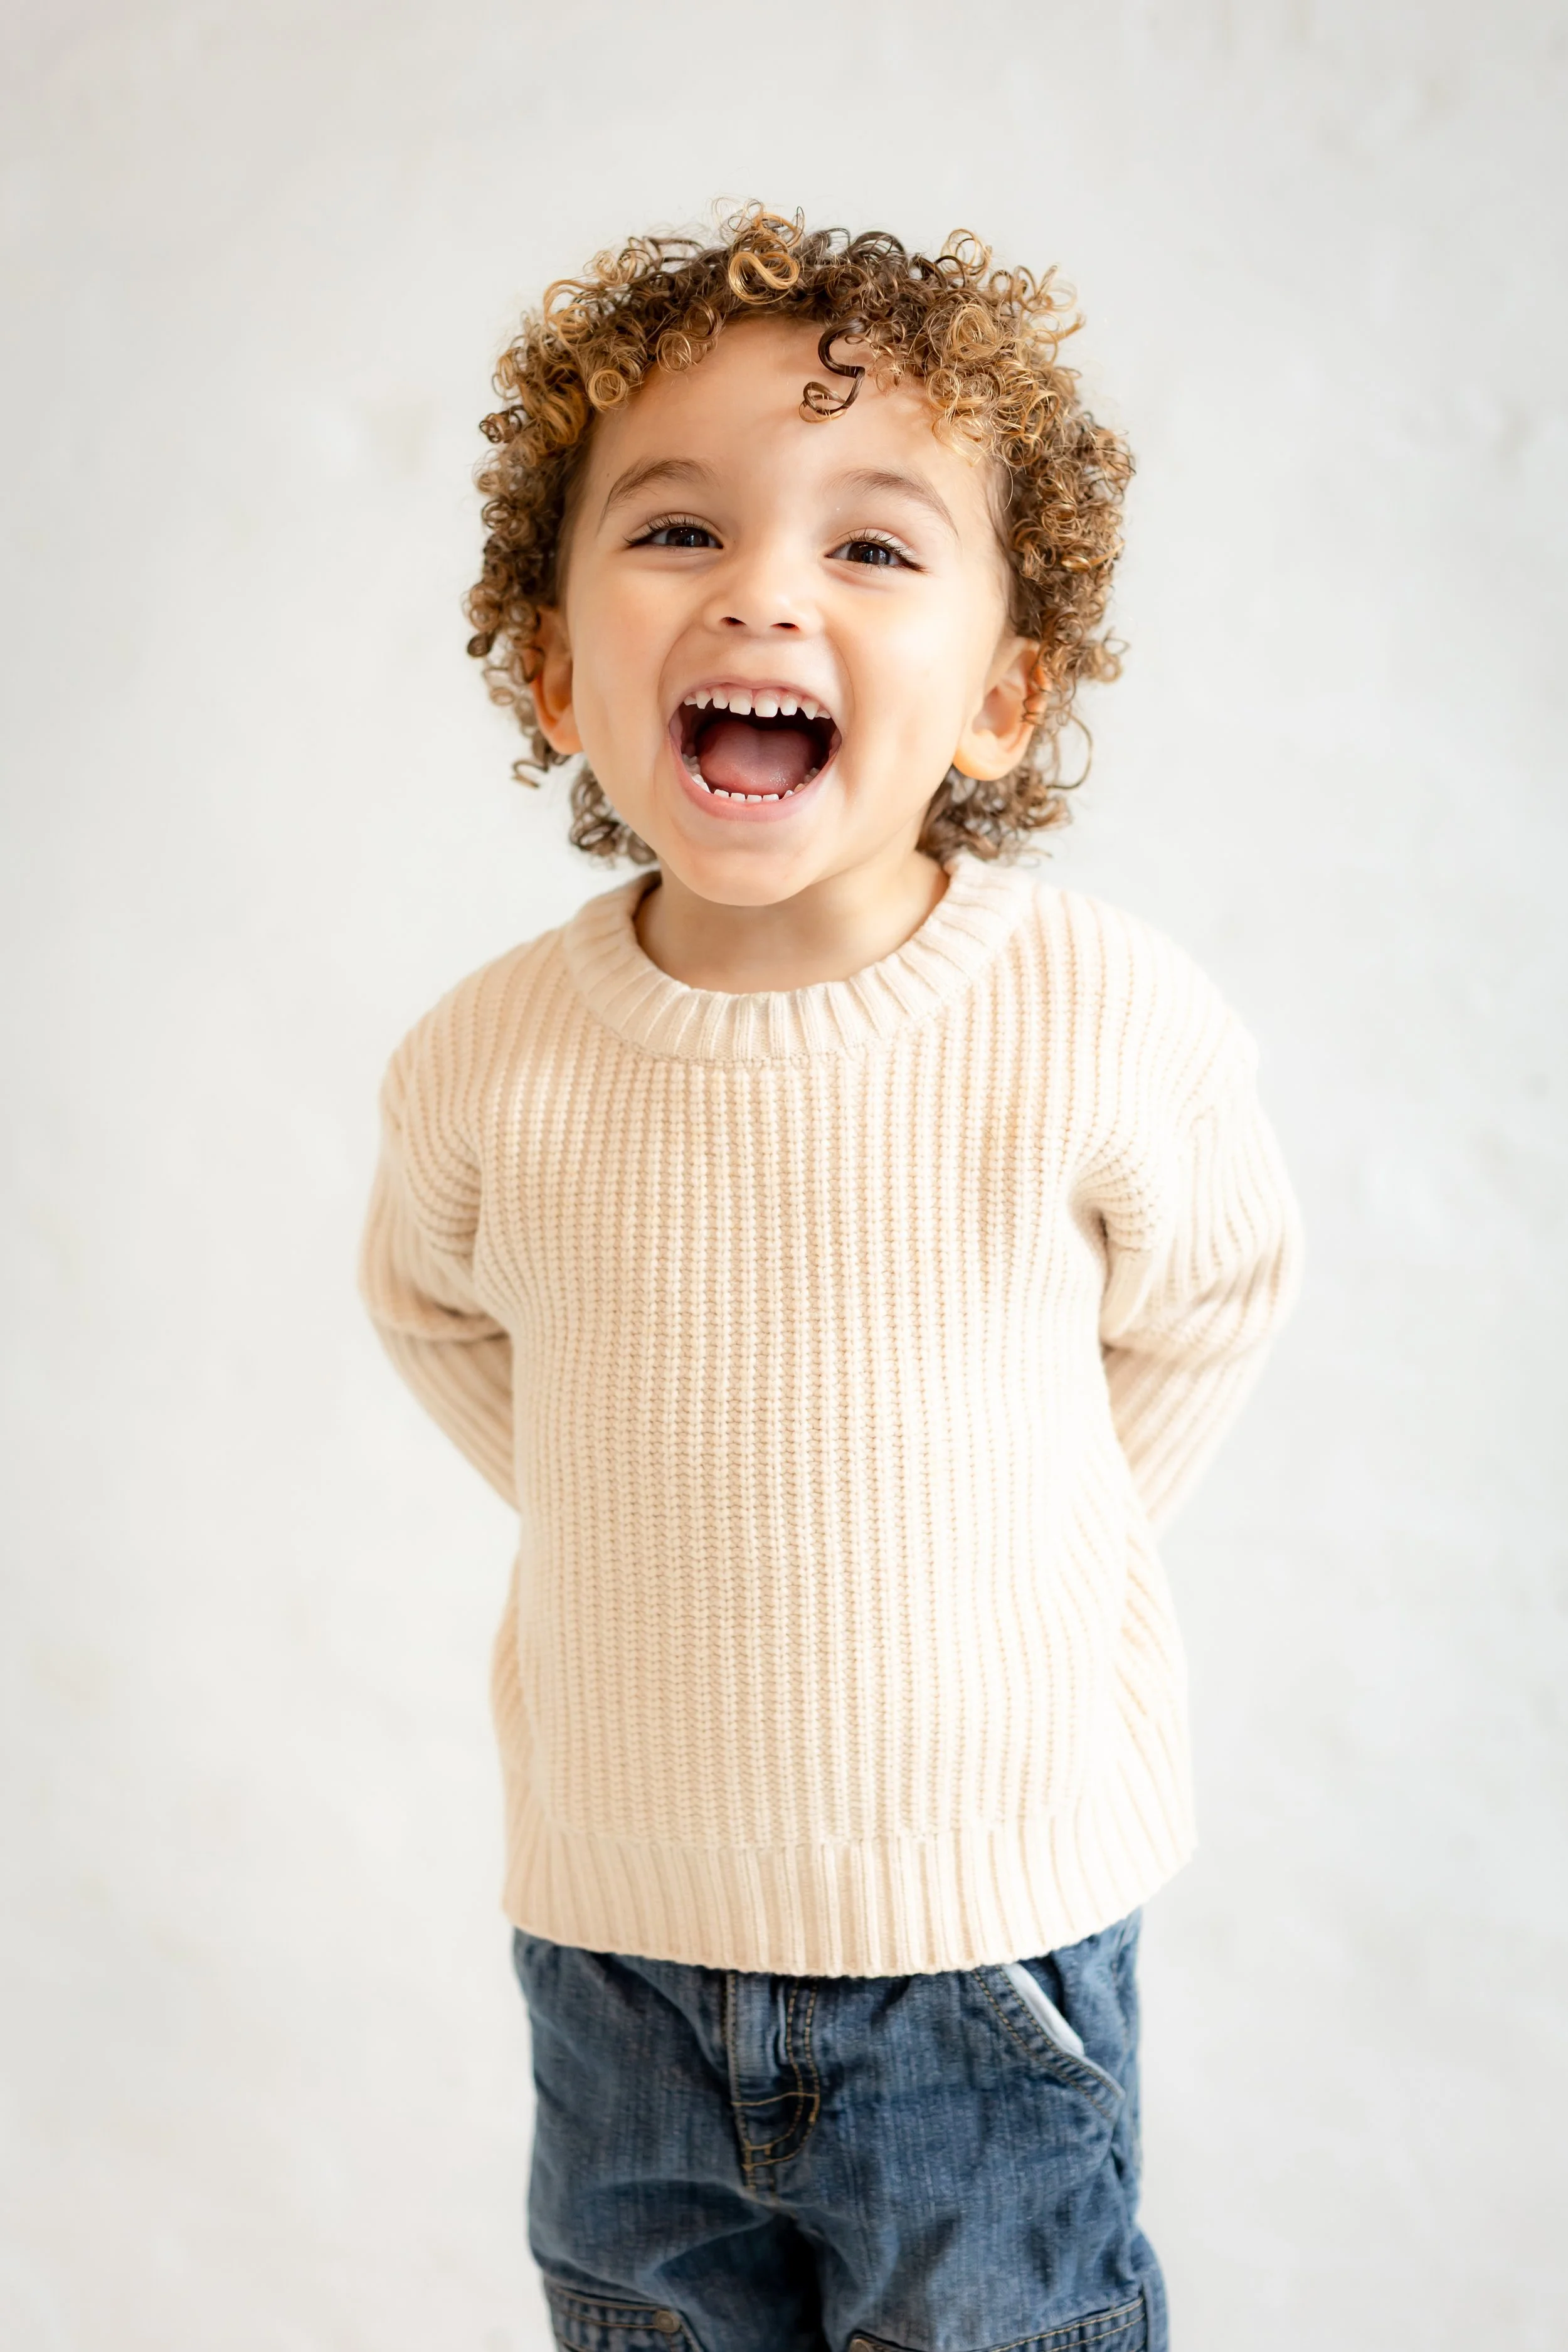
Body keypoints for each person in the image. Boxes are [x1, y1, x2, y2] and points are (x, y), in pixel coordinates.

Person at [358, 206, 1303, 2352]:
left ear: (1001, 696)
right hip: (614, 1939)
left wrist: (1029, 1528)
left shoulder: (1090, 1016)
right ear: (552, 667)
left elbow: (1211, 1295)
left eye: (870, 546)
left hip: (983, 1943)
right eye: (676, 528)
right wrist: (643, 1494)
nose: (763, 590)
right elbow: (433, 1306)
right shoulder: (488, 1059)